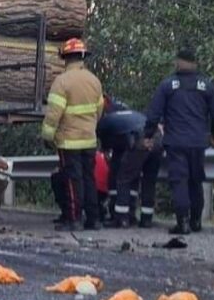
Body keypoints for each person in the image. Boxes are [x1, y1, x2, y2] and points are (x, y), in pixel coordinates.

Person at [144, 45, 214, 234]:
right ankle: (196, 221)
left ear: (178, 62)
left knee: (179, 181)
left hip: (176, 142)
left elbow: (153, 114)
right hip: (198, 142)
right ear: (195, 63)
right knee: (195, 181)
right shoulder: (206, 85)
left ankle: (183, 222)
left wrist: (148, 136)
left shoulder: (168, 85)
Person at [41, 38, 104, 231]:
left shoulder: (62, 82)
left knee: (72, 180)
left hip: (69, 142)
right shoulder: (94, 81)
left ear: (65, 58)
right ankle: (93, 219)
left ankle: (74, 219)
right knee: (89, 179)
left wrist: (47, 136)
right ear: (83, 57)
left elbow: (53, 114)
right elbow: (99, 110)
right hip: (89, 140)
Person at [97, 96, 162, 228]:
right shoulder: (130, 115)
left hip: (141, 139)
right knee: (148, 180)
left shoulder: (104, 122)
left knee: (123, 178)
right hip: (157, 138)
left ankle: (121, 218)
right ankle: (146, 219)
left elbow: (106, 145)